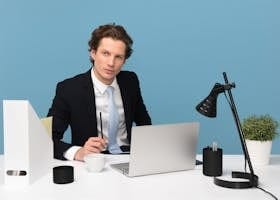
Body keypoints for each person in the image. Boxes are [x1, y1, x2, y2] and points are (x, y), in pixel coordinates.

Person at [48, 23, 152, 161]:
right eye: (105, 53)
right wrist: (78, 152)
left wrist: (149, 151)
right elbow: (47, 139)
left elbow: (145, 124)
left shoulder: (130, 81)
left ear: (124, 60)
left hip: (129, 158)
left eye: (118, 57)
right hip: (92, 162)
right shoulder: (69, 89)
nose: (111, 63)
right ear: (93, 53)